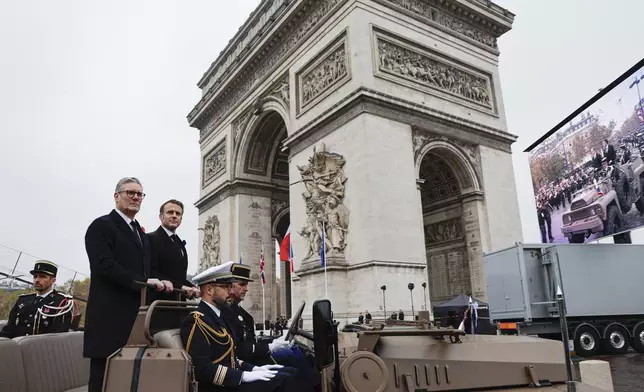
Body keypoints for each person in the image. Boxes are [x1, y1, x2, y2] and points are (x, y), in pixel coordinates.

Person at [83, 177, 173, 392]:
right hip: (109, 316)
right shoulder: (101, 225)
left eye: (139, 194)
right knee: (103, 378)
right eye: (130, 193)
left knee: (128, 379)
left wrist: (165, 281)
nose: (135, 197)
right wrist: (144, 281)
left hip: (136, 316)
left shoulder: (140, 233)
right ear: (116, 196)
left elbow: (147, 270)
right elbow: (103, 266)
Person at [180, 262, 298, 392]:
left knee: (289, 373)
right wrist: (243, 376)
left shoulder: (219, 316)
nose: (230, 292)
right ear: (209, 290)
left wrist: (253, 369)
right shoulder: (196, 321)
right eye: (225, 287)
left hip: (232, 379)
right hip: (220, 386)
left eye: (230, 287)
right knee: (284, 380)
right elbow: (202, 369)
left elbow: (231, 357)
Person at [222, 263, 320, 392]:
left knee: (297, 351)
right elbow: (240, 349)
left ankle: (315, 384)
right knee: (292, 356)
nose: (246, 289)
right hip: (250, 361)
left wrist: (273, 342)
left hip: (252, 358)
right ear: (230, 287)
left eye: (246, 285)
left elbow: (250, 341)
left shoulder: (238, 311)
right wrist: (270, 347)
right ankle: (317, 386)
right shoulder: (228, 313)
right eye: (242, 284)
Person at [147, 199, 200, 331]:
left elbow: (179, 276)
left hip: (180, 307)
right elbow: (151, 272)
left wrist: (194, 288)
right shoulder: (150, 239)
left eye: (178, 213)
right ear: (161, 216)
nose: (174, 215)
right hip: (160, 307)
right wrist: (182, 286)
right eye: (170, 212)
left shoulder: (179, 243)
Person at [0, 260, 76, 338]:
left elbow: (57, 336)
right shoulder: (23, 300)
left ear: (53, 280)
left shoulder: (62, 303)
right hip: (16, 347)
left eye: (42, 276)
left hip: (41, 348)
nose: (37, 280)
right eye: (35, 276)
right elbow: (9, 328)